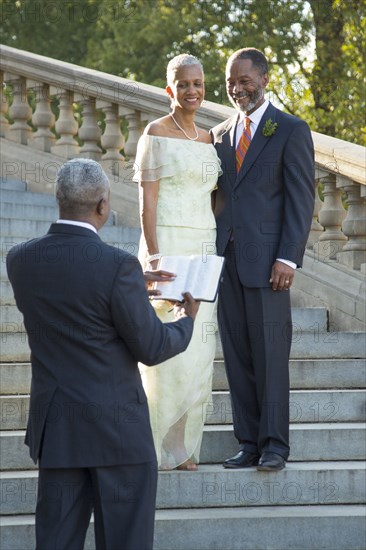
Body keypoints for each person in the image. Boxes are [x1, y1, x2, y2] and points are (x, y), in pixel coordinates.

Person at [6, 158, 200, 550]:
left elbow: (74, 292)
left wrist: (127, 287)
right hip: (118, 434)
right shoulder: (118, 266)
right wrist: (186, 319)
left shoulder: (20, 260)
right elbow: (152, 347)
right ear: (102, 205)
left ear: (59, 199)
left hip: (58, 431)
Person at [211, 48, 315, 471]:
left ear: (265, 79)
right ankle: (249, 442)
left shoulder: (290, 129)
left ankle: (275, 446)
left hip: (269, 263)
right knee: (237, 354)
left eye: (245, 80)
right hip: (226, 262)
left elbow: (301, 199)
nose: (237, 89)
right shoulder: (218, 134)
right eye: (231, 82)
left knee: (271, 355)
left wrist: (287, 259)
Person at [134, 54, 222, 471]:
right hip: (168, 245)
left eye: (198, 83)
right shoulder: (154, 134)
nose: (192, 91)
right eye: (183, 84)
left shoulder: (209, 139)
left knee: (200, 347)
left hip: (204, 247)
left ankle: (183, 446)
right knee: (166, 343)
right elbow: (146, 205)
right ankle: (154, 442)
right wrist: (154, 257)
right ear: (169, 88)